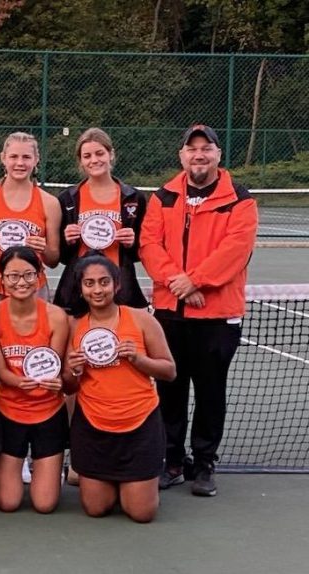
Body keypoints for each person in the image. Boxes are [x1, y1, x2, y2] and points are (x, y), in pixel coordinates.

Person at [139, 124, 258, 497]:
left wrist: (196, 281)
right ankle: (172, 462)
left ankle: (205, 463)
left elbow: (236, 250)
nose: (199, 155)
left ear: (218, 155)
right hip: (170, 315)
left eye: (207, 148)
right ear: (182, 156)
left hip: (217, 316)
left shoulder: (239, 199)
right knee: (169, 391)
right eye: (192, 149)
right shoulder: (163, 197)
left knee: (210, 393)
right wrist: (178, 282)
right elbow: (149, 243)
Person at [63, 254, 176, 523]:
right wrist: (74, 369)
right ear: (81, 288)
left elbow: (169, 371)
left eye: (104, 282)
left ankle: (136, 483)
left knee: (141, 513)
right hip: (93, 426)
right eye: (89, 283)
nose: (97, 289)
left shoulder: (141, 320)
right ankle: (104, 479)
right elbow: (68, 385)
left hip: (139, 425)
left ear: (117, 285)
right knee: (96, 509)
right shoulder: (74, 327)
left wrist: (139, 359)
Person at [0, 246, 69, 513]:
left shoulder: (56, 316)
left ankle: (50, 471)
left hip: (49, 412)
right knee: (8, 503)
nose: (21, 282)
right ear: (1, 279)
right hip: (8, 411)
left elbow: (54, 366)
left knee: (45, 505)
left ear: (40, 276)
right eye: (12, 276)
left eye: (28, 275)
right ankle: (9, 464)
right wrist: (16, 382)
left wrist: (56, 381)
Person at [54, 128, 146, 312]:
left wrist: (132, 242)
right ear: (80, 161)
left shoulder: (133, 198)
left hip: (119, 285)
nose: (94, 160)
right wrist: (68, 240)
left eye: (100, 153)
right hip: (78, 286)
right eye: (87, 156)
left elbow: (141, 251)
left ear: (111, 154)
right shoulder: (68, 199)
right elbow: (61, 257)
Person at [0, 132, 61, 306]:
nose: (20, 163)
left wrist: (43, 249)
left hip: (33, 286)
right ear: (3, 158)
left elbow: (53, 260)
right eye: (14, 156)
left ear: (36, 160)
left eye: (26, 157)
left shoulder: (50, 203)